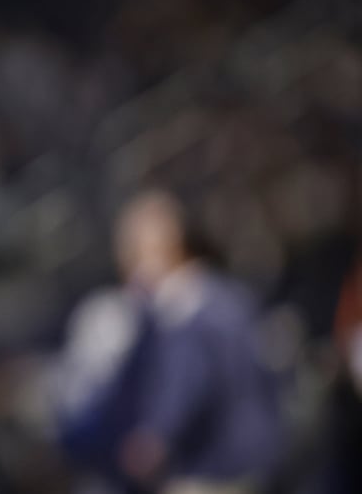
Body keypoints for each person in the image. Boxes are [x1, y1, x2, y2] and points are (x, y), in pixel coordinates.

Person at [53, 189, 284, 494]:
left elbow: (188, 381)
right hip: (257, 463)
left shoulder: (185, 306)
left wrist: (154, 438)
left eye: (134, 253)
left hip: (211, 471)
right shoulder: (229, 296)